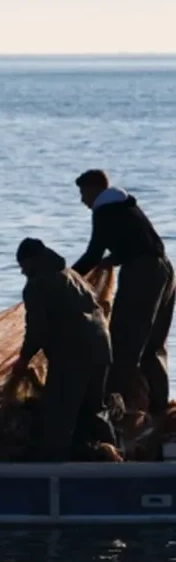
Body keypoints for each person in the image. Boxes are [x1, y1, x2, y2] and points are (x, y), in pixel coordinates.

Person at [71, 170, 175, 417]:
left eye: (83, 193)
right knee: (153, 347)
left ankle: (119, 410)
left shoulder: (104, 210)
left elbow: (93, 254)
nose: (83, 200)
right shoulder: (126, 207)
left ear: (96, 188)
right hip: (166, 271)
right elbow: (140, 243)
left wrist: (68, 276)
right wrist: (114, 259)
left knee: (123, 343)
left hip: (142, 275)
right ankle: (158, 410)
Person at [13, 237, 114, 462]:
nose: (22, 272)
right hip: (102, 349)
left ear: (32, 261)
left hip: (73, 355)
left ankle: (53, 468)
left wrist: (23, 359)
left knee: (58, 415)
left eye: (22, 266)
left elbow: (37, 329)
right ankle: (113, 459)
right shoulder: (72, 275)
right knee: (94, 411)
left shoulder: (37, 284)